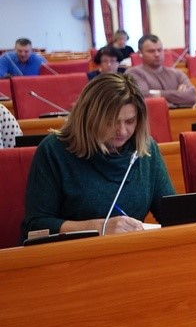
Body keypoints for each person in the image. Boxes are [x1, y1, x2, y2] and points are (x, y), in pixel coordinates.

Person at [20, 73, 174, 239]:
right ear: (90, 117)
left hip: (130, 249)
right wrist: (100, 227)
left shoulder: (145, 149)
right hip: (71, 252)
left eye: (130, 121)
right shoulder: (54, 151)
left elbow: (173, 213)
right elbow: (36, 226)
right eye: (111, 121)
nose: (122, 131)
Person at [125, 35, 196, 107]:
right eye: (151, 51)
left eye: (160, 50)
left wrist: (158, 94)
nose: (157, 54)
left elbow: (192, 96)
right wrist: (178, 94)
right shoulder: (133, 73)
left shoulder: (177, 73)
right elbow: (144, 97)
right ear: (140, 53)